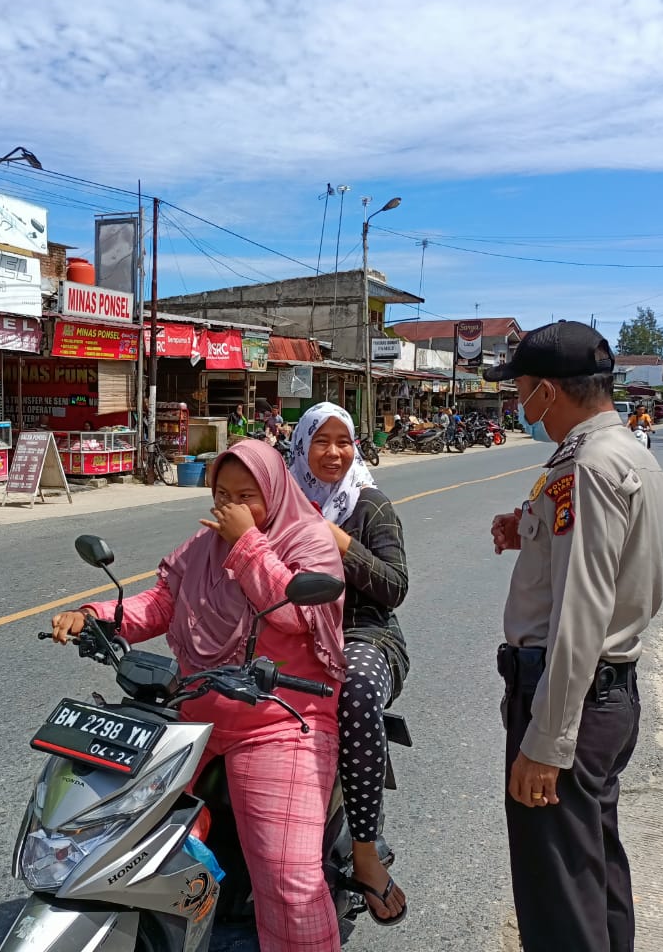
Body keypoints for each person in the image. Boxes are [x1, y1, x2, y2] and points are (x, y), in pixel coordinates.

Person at [48, 440, 346, 952]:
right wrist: (97, 615)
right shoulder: (203, 546)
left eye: (247, 496)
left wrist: (248, 543)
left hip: (279, 721)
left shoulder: (309, 538)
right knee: (106, 838)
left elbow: (294, 615)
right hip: (194, 716)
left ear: (274, 490)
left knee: (289, 883)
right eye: (222, 494)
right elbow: (161, 602)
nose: (231, 508)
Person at [484, 321, 663, 952]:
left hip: (571, 695)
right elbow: (612, 566)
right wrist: (526, 530)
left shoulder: (587, 466)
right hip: (607, 693)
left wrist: (547, 738)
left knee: (557, 891)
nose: (518, 405)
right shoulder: (625, 452)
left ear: (548, 392)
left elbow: (581, 612)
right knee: (591, 868)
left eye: (521, 390)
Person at [288, 403, 410, 925]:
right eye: (321, 440)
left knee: (355, 689)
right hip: (292, 634)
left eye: (343, 440)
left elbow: (395, 588)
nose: (334, 452)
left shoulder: (370, 505)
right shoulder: (280, 503)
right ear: (300, 445)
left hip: (365, 636)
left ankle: (364, 853)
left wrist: (341, 542)